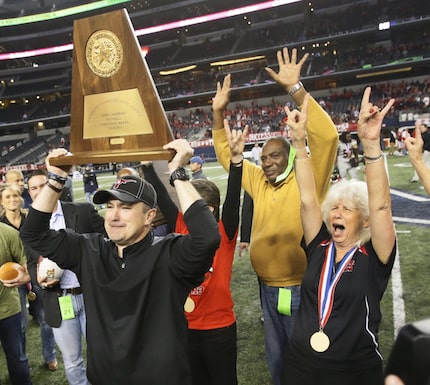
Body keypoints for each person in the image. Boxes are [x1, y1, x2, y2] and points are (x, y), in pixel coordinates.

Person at [20, 140, 221, 385]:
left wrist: (177, 172)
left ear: (149, 216)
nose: (113, 216)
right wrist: (56, 179)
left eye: (125, 208)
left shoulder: (170, 253)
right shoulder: (89, 249)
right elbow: (33, 233)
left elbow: (208, 237)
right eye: (109, 206)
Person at [211, 47, 338, 385]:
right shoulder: (259, 182)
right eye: (263, 156)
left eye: (274, 155)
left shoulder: (308, 178)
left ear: (292, 155)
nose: (266, 161)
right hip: (268, 290)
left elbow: (327, 138)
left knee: (307, 361)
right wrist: (217, 114)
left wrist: (296, 90)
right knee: (278, 360)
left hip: (303, 288)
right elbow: (227, 156)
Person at [281, 89, 396, 385]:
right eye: (334, 208)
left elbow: (382, 207)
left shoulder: (374, 256)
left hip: (352, 373)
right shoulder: (319, 244)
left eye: (347, 209)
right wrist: (299, 144)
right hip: (300, 366)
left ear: (365, 219)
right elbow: (307, 200)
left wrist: (370, 146)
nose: (336, 214)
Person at [141, 120, 245, 385]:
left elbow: (233, 199)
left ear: (208, 209)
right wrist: (145, 165)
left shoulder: (225, 230)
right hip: (184, 325)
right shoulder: (179, 222)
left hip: (218, 326)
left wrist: (236, 161)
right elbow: (162, 192)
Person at [26, 168, 106, 385]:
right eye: (34, 188)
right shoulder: (30, 227)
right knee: (72, 362)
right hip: (58, 299)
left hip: (91, 296)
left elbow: (106, 244)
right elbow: (32, 264)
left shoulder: (83, 211)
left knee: (103, 356)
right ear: (30, 193)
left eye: (44, 185)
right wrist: (40, 280)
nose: (40, 191)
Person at [0, 183, 58, 372]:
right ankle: (20, 359)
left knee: (45, 319)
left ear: (21, 197)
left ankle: (50, 356)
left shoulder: (32, 218)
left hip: (35, 273)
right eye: (7, 197)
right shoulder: (2, 225)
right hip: (11, 280)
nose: (12, 200)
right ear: (1, 201)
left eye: (15, 196)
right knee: (20, 325)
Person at [0, 221, 33, 385]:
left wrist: (22, 274)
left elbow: (25, 261)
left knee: (17, 358)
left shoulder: (7, 233)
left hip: (8, 310)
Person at [408, 121, 430, 186]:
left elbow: (421, 144)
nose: (421, 129)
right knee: (427, 164)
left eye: (422, 128)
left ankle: (416, 178)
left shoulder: (424, 135)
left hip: (424, 151)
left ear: (426, 128)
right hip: (427, 151)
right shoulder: (428, 134)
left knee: (418, 164)